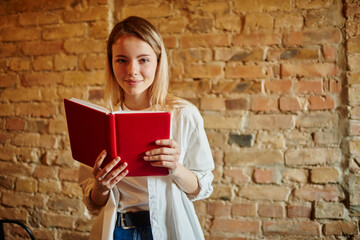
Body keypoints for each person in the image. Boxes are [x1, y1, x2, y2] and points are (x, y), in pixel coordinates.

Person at [78, 16, 214, 240]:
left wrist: (176, 168)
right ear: (111, 63)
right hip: (116, 230)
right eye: (121, 60)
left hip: (168, 229)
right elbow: (93, 203)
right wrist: (101, 187)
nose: (132, 70)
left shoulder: (183, 114)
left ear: (158, 62)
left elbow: (201, 189)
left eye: (143, 60)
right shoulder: (99, 121)